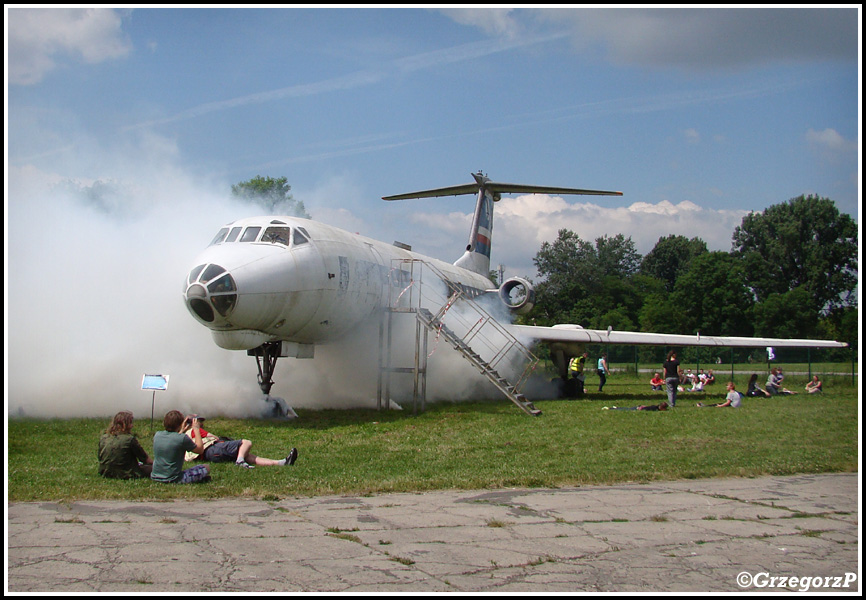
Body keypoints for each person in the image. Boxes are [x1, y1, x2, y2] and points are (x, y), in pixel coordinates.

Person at [180, 415, 298, 468]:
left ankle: (281, 463)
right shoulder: (196, 431)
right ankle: (240, 462)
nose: (202, 423)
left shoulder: (183, 435)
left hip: (211, 455)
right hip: (213, 449)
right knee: (246, 443)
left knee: (248, 456)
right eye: (199, 421)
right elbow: (215, 438)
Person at [151, 410, 210, 484]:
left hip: (155, 476)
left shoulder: (157, 435)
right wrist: (196, 429)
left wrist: (181, 430)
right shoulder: (182, 438)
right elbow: (200, 450)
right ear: (181, 424)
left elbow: (172, 440)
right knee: (206, 467)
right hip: (173, 479)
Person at [98, 411, 153, 479]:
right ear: (124, 425)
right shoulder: (129, 439)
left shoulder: (104, 438)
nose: (132, 426)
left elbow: (100, 457)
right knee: (152, 468)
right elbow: (144, 458)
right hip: (125, 473)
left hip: (105, 472)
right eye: (130, 423)